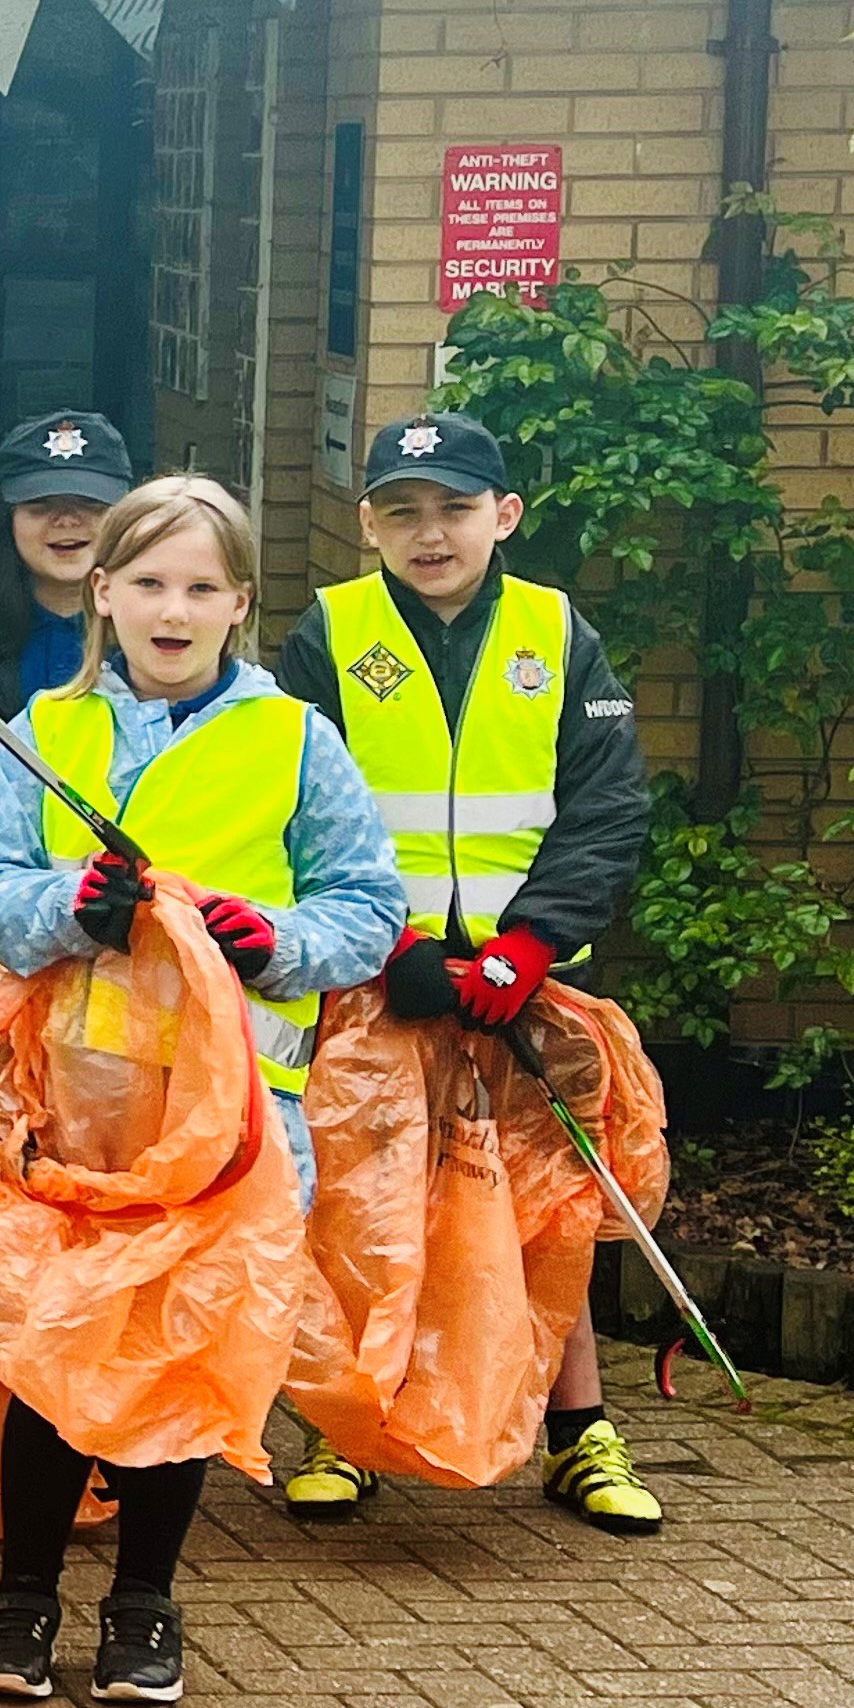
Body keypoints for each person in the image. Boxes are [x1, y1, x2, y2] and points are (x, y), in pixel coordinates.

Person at [0, 473, 404, 1708]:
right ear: (103, 593)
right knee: (56, 1350)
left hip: (235, 1115)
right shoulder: (50, 729)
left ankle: (145, 1604)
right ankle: (25, 1601)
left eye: (202, 586)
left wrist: (274, 942)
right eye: (148, 581)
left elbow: (366, 910)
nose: (173, 607)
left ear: (241, 603)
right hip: (76, 1107)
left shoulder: (297, 739)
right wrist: (66, 911)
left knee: (189, 1356)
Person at [273, 412, 659, 1534]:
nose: (428, 532)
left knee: (550, 1209)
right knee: (361, 1203)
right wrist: (389, 943)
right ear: (367, 524)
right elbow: (295, 803)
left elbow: (606, 805)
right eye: (402, 511)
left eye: (451, 508)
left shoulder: (558, 633)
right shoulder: (329, 634)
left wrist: (527, 944)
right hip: (379, 977)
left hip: (525, 982)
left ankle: (579, 1434)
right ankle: (342, 1432)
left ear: (505, 515)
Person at [0, 410, 136, 1022]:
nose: (66, 521)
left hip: (131, 935)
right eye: (40, 504)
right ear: (5, 517)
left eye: (88, 504)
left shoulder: (163, 636)